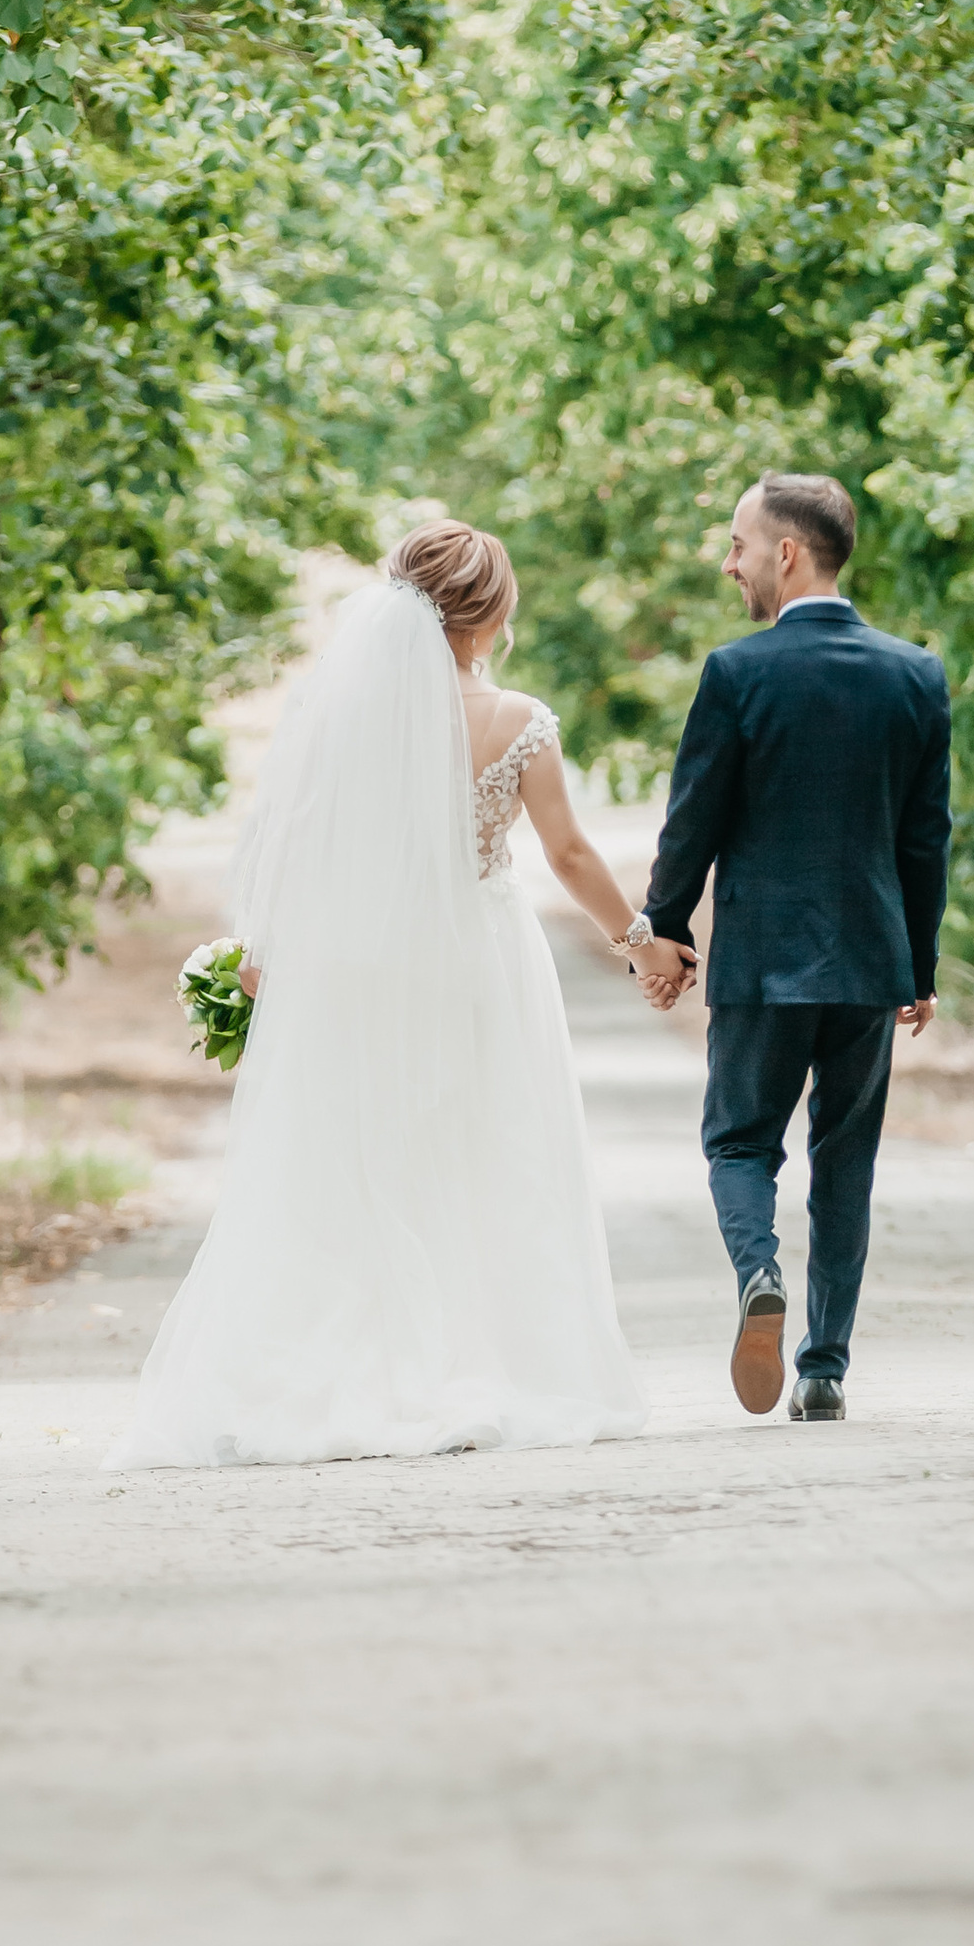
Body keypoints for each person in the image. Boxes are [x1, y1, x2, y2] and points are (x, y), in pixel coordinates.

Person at [116, 522, 682, 1467]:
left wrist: (263, 955)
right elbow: (571, 854)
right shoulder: (517, 720)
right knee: (488, 1149)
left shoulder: (340, 718)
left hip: (363, 965)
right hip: (482, 962)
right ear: (492, 613)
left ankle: (365, 1369)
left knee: (371, 1152)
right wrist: (640, 946)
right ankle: (487, 1362)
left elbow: (293, 841)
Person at [633, 474, 952, 1423]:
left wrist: (664, 931)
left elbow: (692, 825)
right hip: (867, 963)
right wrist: (920, 968)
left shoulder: (736, 674)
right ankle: (822, 1372)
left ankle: (757, 1269)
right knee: (844, 1164)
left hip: (762, 965)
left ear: (786, 553)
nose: (727, 563)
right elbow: (924, 839)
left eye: (737, 545)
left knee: (739, 1141)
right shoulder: (915, 676)